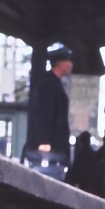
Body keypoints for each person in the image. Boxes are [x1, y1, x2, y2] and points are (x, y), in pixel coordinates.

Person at [25, 46, 74, 180]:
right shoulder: (47, 84)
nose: (71, 65)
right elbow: (43, 113)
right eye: (68, 61)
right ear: (60, 63)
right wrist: (43, 140)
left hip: (55, 146)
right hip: (47, 148)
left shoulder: (54, 84)